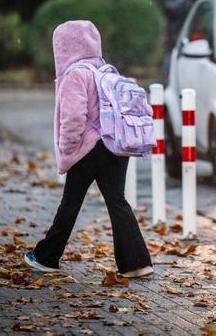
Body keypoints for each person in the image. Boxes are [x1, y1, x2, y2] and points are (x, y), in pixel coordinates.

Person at [24, 20, 153, 278]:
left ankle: (46, 257)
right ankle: (136, 263)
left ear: (64, 47)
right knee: (117, 201)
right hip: (115, 145)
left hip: (89, 148)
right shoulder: (107, 70)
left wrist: (68, 150)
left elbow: (73, 119)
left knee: (70, 202)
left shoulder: (74, 75)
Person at [161, 0, 202, 82]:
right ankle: (166, 81)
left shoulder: (199, 2)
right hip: (176, 37)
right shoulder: (181, 0)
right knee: (171, 58)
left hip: (192, 39)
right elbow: (173, 17)